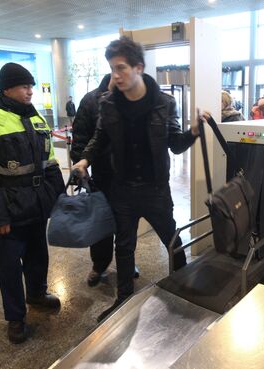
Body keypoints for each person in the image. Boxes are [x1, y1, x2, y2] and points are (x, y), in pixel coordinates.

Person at [72, 36, 199, 322]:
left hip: (155, 189)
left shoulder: (164, 103)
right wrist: (85, 159)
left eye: (121, 68)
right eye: (112, 69)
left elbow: (176, 144)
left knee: (172, 239)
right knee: (124, 245)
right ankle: (124, 298)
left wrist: (193, 132)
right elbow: (100, 137)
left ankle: (183, 288)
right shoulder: (108, 103)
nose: (115, 75)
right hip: (122, 189)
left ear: (138, 68)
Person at [0, 62, 65, 343]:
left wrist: (58, 198)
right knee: (9, 267)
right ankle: (15, 317)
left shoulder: (35, 118)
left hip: (36, 207)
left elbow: (50, 162)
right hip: (8, 213)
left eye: (31, 85)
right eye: (24, 86)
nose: (30, 91)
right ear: (7, 88)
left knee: (37, 257)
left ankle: (36, 294)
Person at [71, 74, 141, 286]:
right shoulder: (90, 101)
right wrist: (84, 171)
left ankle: (126, 263)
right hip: (101, 177)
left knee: (126, 225)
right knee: (100, 225)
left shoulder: (131, 100)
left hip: (128, 180)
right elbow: (80, 140)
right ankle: (99, 265)